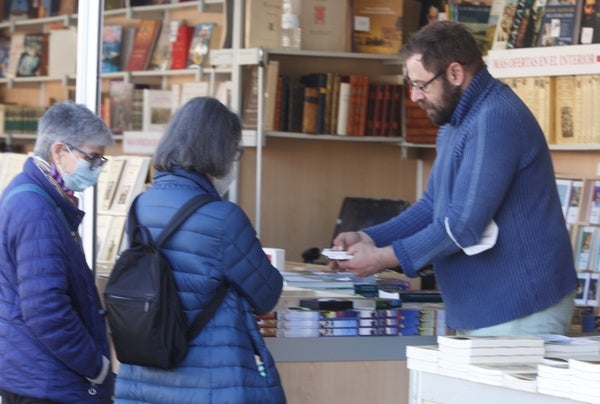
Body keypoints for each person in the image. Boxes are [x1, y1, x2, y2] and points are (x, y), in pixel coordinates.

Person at [331, 21, 578, 337]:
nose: (414, 96)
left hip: (520, 307)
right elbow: (433, 206)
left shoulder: (495, 118)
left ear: (455, 74)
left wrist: (381, 259)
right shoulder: (455, 122)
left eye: (421, 84)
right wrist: (370, 238)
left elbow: (462, 225)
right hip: (485, 308)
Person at [114, 97, 286, 403]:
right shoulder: (224, 218)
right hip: (210, 381)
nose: (236, 159)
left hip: (142, 377)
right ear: (220, 150)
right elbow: (267, 296)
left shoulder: (140, 206)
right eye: (236, 150)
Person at [0, 102, 115, 402]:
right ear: (59, 152)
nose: (97, 168)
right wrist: (97, 367)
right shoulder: (36, 209)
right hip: (46, 382)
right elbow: (47, 310)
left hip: (37, 374)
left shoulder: (37, 195)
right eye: (92, 158)